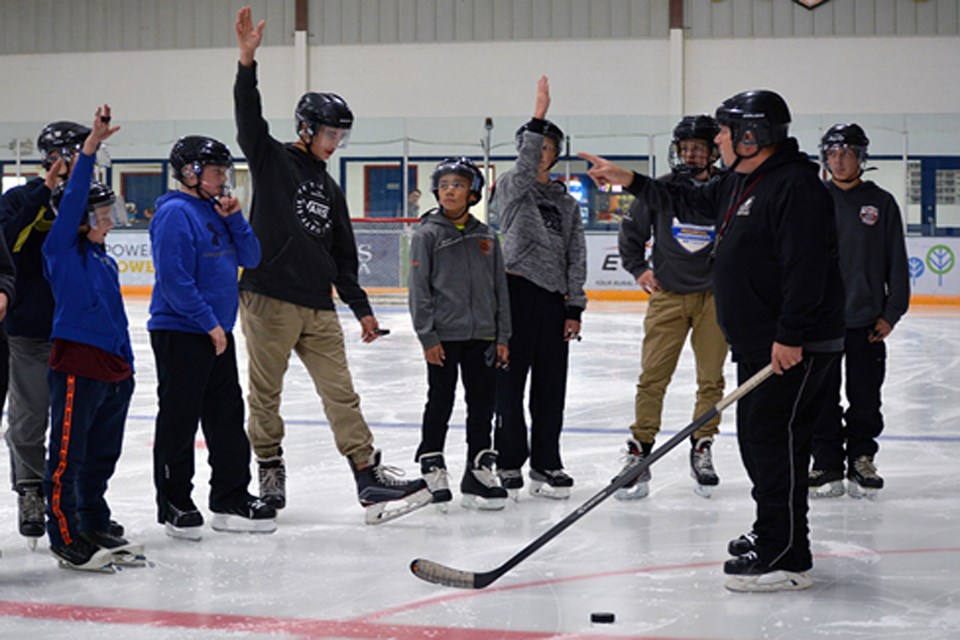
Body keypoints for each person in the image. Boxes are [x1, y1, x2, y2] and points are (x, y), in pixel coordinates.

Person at [579, 89, 845, 593]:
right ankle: (778, 534)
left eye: (723, 132)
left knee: (775, 445)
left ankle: (784, 554)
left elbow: (807, 268)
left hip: (789, 348)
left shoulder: (794, 186)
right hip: (762, 343)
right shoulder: (744, 183)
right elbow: (687, 199)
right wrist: (629, 180)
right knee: (767, 445)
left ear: (752, 136)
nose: (716, 139)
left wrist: (790, 335)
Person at [233, 6, 429, 525]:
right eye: (330, 132)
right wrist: (247, 63)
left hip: (318, 306)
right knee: (265, 394)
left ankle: (366, 476)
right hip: (268, 297)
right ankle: (269, 469)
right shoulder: (272, 159)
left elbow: (342, 254)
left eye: (341, 134)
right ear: (306, 127)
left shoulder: (329, 185)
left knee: (341, 392)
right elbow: (248, 120)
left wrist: (361, 308)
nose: (336, 141)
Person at [149, 135, 277, 540]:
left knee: (225, 418)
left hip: (217, 333)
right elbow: (175, 282)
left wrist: (236, 218)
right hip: (182, 332)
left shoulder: (217, 210)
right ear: (190, 172)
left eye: (225, 171)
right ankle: (175, 500)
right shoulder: (174, 214)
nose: (224, 178)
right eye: (217, 171)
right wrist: (208, 324)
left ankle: (230, 496)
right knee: (180, 419)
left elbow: (252, 258)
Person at [42, 105, 139, 571]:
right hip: (78, 364)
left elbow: (117, 318)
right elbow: (74, 194)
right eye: (101, 212)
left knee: (102, 454)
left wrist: (128, 368)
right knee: (68, 456)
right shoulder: (61, 249)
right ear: (79, 218)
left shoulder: (105, 259)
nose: (110, 219)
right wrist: (90, 149)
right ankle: (63, 535)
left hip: (112, 369)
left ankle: (92, 518)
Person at [615, 115, 728, 501]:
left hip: (715, 299)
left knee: (710, 379)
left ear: (714, 150)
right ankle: (640, 449)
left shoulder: (727, 191)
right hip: (668, 298)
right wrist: (638, 270)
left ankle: (702, 445)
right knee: (653, 377)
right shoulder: (660, 189)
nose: (691, 154)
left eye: (699, 147)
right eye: (685, 148)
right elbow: (631, 233)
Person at [493, 76, 587, 501]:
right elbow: (525, 166)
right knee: (509, 387)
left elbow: (576, 254)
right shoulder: (511, 189)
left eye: (549, 147)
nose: (542, 153)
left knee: (550, 388)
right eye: (536, 146)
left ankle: (546, 462)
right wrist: (538, 117)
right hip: (514, 296)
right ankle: (509, 460)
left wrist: (574, 307)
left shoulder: (567, 204)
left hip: (552, 302)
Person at [810, 123, 910, 499]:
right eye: (833, 153)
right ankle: (826, 462)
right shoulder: (812, 198)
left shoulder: (880, 202)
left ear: (861, 158)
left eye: (847, 153)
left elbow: (896, 262)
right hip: (821, 321)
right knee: (822, 396)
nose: (839, 160)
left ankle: (862, 458)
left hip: (866, 319)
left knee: (865, 395)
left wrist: (892, 311)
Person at [0, 121, 88, 546]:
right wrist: (40, 192)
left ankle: (73, 498)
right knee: (30, 415)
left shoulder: (84, 200)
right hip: (30, 331)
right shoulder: (20, 198)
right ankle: (31, 489)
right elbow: (8, 241)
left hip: (75, 331)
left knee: (77, 421)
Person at [409, 157, 511, 510]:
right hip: (444, 337)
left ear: (473, 193)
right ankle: (432, 465)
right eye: (445, 184)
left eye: (459, 185)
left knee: (482, 406)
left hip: (483, 336)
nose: (450, 190)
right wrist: (427, 337)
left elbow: (500, 289)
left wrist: (502, 337)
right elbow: (419, 291)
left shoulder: (487, 236)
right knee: (440, 401)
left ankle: (479, 470)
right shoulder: (427, 235)